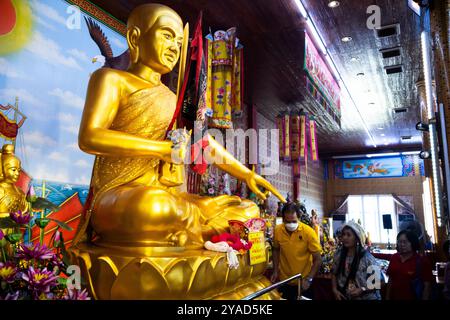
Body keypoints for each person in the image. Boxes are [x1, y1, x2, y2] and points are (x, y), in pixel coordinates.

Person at [72, 3, 285, 248]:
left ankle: (190, 232)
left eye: (179, 43)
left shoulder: (174, 99)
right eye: (166, 36)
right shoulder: (112, 79)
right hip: (121, 197)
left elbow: (203, 143)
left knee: (246, 209)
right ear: (135, 38)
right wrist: (162, 149)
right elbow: (90, 137)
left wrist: (247, 174)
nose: (174, 47)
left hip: (170, 197)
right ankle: (197, 233)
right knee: (153, 207)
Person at [271, 202, 322, 300]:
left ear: (299, 217)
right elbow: (276, 250)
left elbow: (318, 259)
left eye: (294, 221)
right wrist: (275, 270)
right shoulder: (278, 230)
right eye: (287, 221)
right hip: (285, 281)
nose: (290, 224)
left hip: (303, 282)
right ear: (283, 219)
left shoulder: (308, 232)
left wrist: (309, 279)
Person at [331, 221, 382, 300]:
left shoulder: (367, 258)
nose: (345, 237)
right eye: (343, 234)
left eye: (348, 235)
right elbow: (334, 273)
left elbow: (379, 282)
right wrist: (334, 290)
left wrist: (362, 289)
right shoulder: (339, 255)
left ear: (357, 238)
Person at [386, 230, 433, 300]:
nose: (402, 244)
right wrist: (387, 297)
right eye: (399, 242)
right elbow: (390, 280)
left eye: (405, 242)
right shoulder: (394, 257)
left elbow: (427, 286)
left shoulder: (422, 261)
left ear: (413, 243)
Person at [0, 144, 28, 217]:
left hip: (15, 227)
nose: (17, 173)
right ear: (2, 169)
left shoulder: (20, 192)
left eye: (18, 170)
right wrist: (11, 215)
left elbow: (24, 210)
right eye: (13, 170)